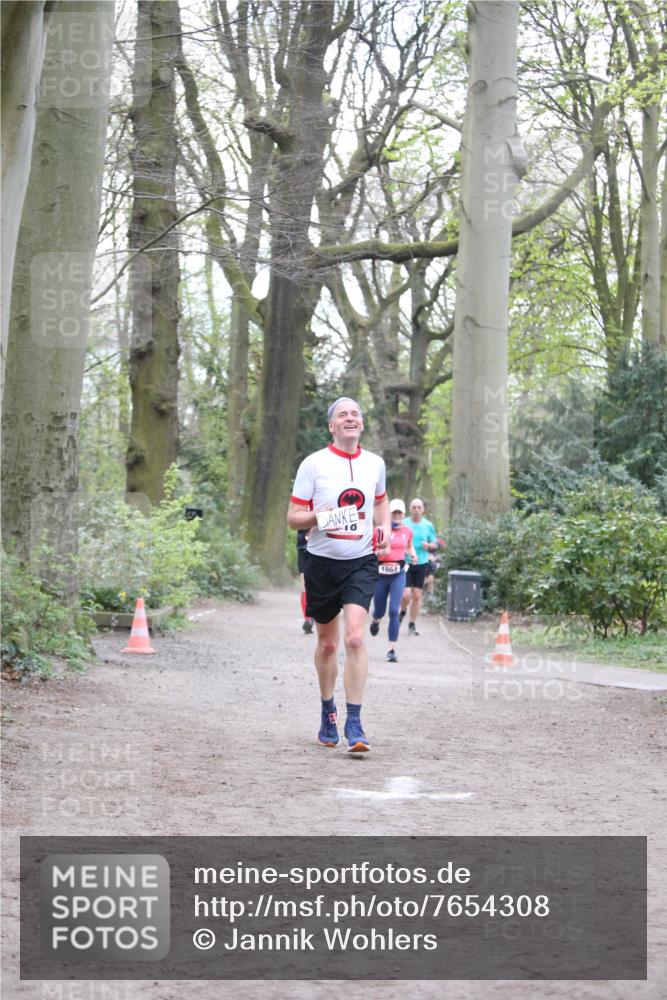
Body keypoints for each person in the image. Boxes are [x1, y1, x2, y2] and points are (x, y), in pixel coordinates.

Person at [287, 397, 390, 753]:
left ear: (361, 424)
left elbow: (380, 500)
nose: (350, 418)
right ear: (331, 426)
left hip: (361, 561)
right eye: (342, 414)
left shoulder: (375, 463)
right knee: (328, 644)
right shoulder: (313, 464)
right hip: (321, 563)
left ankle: (355, 722)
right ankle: (328, 710)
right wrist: (322, 517)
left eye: (355, 414)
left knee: (356, 638)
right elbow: (293, 518)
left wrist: (384, 526)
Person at [368, 499, 417, 663]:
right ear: (389, 514)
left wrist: (413, 554)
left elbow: (408, 546)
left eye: (399, 513)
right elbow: (370, 551)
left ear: (403, 514)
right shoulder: (379, 531)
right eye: (394, 513)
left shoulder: (408, 531)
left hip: (398, 574)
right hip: (381, 575)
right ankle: (375, 620)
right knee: (379, 610)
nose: (396, 516)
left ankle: (391, 649)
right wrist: (380, 552)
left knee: (394, 611)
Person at [399, 497, 438, 636]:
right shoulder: (404, 523)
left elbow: (435, 543)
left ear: (423, 510)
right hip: (406, 562)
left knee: (416, 596)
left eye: (419, 507)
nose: (416, 510)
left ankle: (412, 624)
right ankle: (403, 611)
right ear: (410, 509)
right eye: (414, 507)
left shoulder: (428, 525)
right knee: (405, 595)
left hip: (421, 563)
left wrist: (429, 545)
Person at [296, 528, 315, 633]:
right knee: (305, 585)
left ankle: (312, 616)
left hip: (322, 549)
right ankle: (308, 619)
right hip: (303, 547)